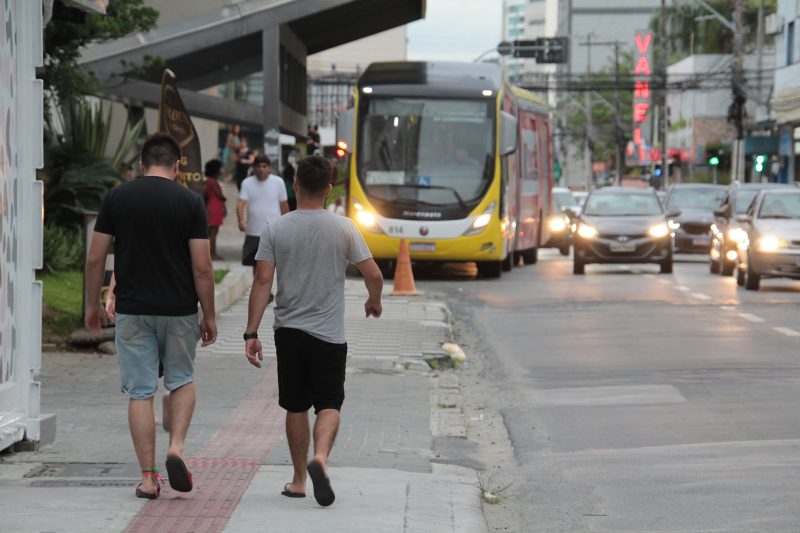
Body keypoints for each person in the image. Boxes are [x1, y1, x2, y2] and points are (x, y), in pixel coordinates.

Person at [243, 155, 383, 507]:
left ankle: (298, 480)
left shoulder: (276, 228)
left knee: (295, 405)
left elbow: (262, 280)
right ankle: (320, 457)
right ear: (328, 189)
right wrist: (373, 300)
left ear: (295, 185)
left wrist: (250, 332)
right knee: (329, 404)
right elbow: (374, 274)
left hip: (288, 331)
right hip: (329, 334)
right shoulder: (344, 227)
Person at [85, 132, 217, 499]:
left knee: (140, 391)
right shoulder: (190, 202)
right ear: (177, 166)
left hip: (133, 310)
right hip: (178, 310)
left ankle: (147, 478)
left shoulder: (117, 198)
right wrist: (209, 315)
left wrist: (92, 307)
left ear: (142, 165)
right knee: (182, 379)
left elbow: (96, 257)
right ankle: (176, 446)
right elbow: (203, 267)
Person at [238, 154, 289, 275]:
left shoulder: (278, 182)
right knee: (254, 263)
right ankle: (260, 291)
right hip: (253, 230)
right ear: (254, 168)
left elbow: (284, 204)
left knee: (271, 263)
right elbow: (241, 202)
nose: (261, 169)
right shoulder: (247, 183)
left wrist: (287, 223)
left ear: (269, 168)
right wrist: (240, 220)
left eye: (264, 166)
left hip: (273, 230)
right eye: (258, 166)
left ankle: (267, 290)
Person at [204, 159, 227, 260]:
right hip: (215, 207)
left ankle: (211, 252)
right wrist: (224, 198)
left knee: (212, 232)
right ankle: (212, 253)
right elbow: (220, 195)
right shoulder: (212, 182)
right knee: (213, 233)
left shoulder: (208, 181)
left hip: (213, 206)